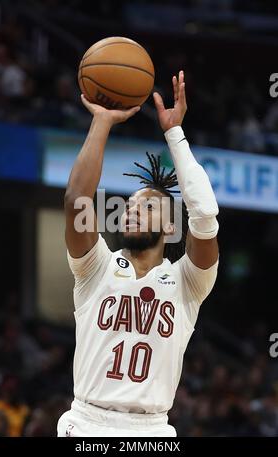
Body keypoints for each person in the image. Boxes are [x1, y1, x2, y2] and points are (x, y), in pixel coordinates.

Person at [58, 71, 219, 437]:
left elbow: (206, 215)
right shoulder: (95, 266)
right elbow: (76, 201)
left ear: (170, 226)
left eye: (147, 207)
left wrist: (174, 136)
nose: (131, 210)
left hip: (151, 431)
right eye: (129, 206)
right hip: (86, 424)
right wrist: (102, 121)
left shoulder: (187, 282)